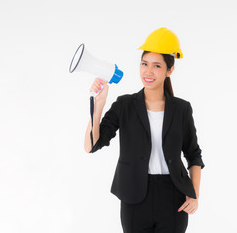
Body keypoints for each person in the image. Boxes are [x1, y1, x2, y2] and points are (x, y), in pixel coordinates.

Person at [84, 27, 205, 233]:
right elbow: (91, 146)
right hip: (134, 197)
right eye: (144, 64)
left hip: (174, 197)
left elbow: (193, 155)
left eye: (157, 66)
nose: (148, 71)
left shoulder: (182, 109)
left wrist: (194, 194)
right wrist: (99, 106)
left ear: (170, 70)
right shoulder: (125, 105)